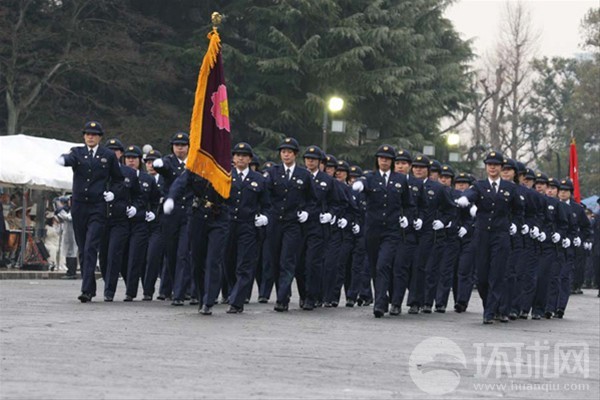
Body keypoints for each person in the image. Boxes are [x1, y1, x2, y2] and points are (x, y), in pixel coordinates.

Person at [56, 121, 124, 302]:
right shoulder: (77, 152)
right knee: (83, 247)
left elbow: (118, 180)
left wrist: (112, 193)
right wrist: (63, 160)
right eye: (87, 134)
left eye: (94, 134)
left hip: (97, 206)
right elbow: (70, 158)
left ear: (100, 137)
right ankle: (90, 287)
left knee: (91, 246)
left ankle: (86, 289)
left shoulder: (108, 155)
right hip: (79, 206)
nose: (90, 137)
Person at [455, 150, 524, 324]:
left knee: (498, 274)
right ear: (486, 167)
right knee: (482, 276)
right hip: (482, 234)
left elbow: (519, 209)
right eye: (489, 164)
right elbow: (471, 194)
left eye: (496, 165)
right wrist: (465, 199)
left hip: (500, 235)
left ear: (501, 167)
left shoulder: (510, 188)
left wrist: (515, 223)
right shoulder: (479, 185)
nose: (492, 167)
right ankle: (490, 306)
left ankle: (491, 311)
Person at [352, 144, 415, 318]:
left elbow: (408, 204)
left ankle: (379, 303)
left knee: (383, 265)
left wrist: (406, 218)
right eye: (381, 158)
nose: (384, 161)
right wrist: (359, 185)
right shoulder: (370, 178)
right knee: (373, 267)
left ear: (392, 161)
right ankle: (383, 296)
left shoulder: (401, 180)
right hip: (373, 229)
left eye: (387, 159)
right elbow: (363, 184)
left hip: (392, 231)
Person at [165, 169, 229, 315]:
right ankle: (201, 296)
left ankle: (209, 300)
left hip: (219, 216)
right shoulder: (196, 166)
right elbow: (180, 183)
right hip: (197, 215)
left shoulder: (224, 165)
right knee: (197, 259)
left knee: (214, 259)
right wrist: (171, 197)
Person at [265, 138, 314, 312]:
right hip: (275, 222)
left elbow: (312, 199)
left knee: (287, 259)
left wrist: (306, 211)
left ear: (295, 154)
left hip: (293, 223)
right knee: (276, 259)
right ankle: (282, 293)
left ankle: (282, 298)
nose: (286, 154)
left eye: (289, 152)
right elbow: (266, 196)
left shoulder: (304, 175)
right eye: (283, 151)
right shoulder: (273, 172)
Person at [223, 143, 270, 313]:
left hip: (248, 226)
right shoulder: (226, 176)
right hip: (228, 224)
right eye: (237, 155)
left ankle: (237, 301)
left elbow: (267, 204)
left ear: (250, 159)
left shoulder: (259, 179)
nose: (240, 158)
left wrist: (265, 217)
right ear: (233, 158)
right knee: (227, 262)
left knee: (244, 265)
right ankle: (232, 292)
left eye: (244, 155)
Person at [152, 132, 192, 303]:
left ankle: (180, 291)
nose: (180, 148)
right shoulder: (168, 161)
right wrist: (157, 165)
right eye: (177, 145)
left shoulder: (193, 163)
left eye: (183, 145)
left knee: (184, 253)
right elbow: (163, 168)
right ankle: (173, 287)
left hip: (188, 212)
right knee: (171, 252)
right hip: (171, 214)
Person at [122, 145, 161, 301]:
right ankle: (129, 286)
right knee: (123, 259)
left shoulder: (147, 179)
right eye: (128, 158)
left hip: (141, 222)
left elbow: (155, 199)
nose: (131, 161)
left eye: (134, 158)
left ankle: (133, 292)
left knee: (137, 258)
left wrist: (152, 212)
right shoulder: (119, 176)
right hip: (122, 222)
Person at [142, 149, 166, 300]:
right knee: (146, 258)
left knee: (160, 258)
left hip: (163, 222)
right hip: (145, 222)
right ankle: (147, 290)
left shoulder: (165, 179)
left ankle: (160, 290)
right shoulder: (141, 179)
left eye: (153, 162)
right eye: (148, 162)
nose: (150, 165)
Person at [54, 196, 78, 279]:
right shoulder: (69, 210)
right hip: (68, 233)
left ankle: (72, 272)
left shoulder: (75, 209)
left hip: (73, 234)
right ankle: (69, 271)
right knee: (68, 252)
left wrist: (61, 210)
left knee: (72, 253)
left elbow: (69, 218)